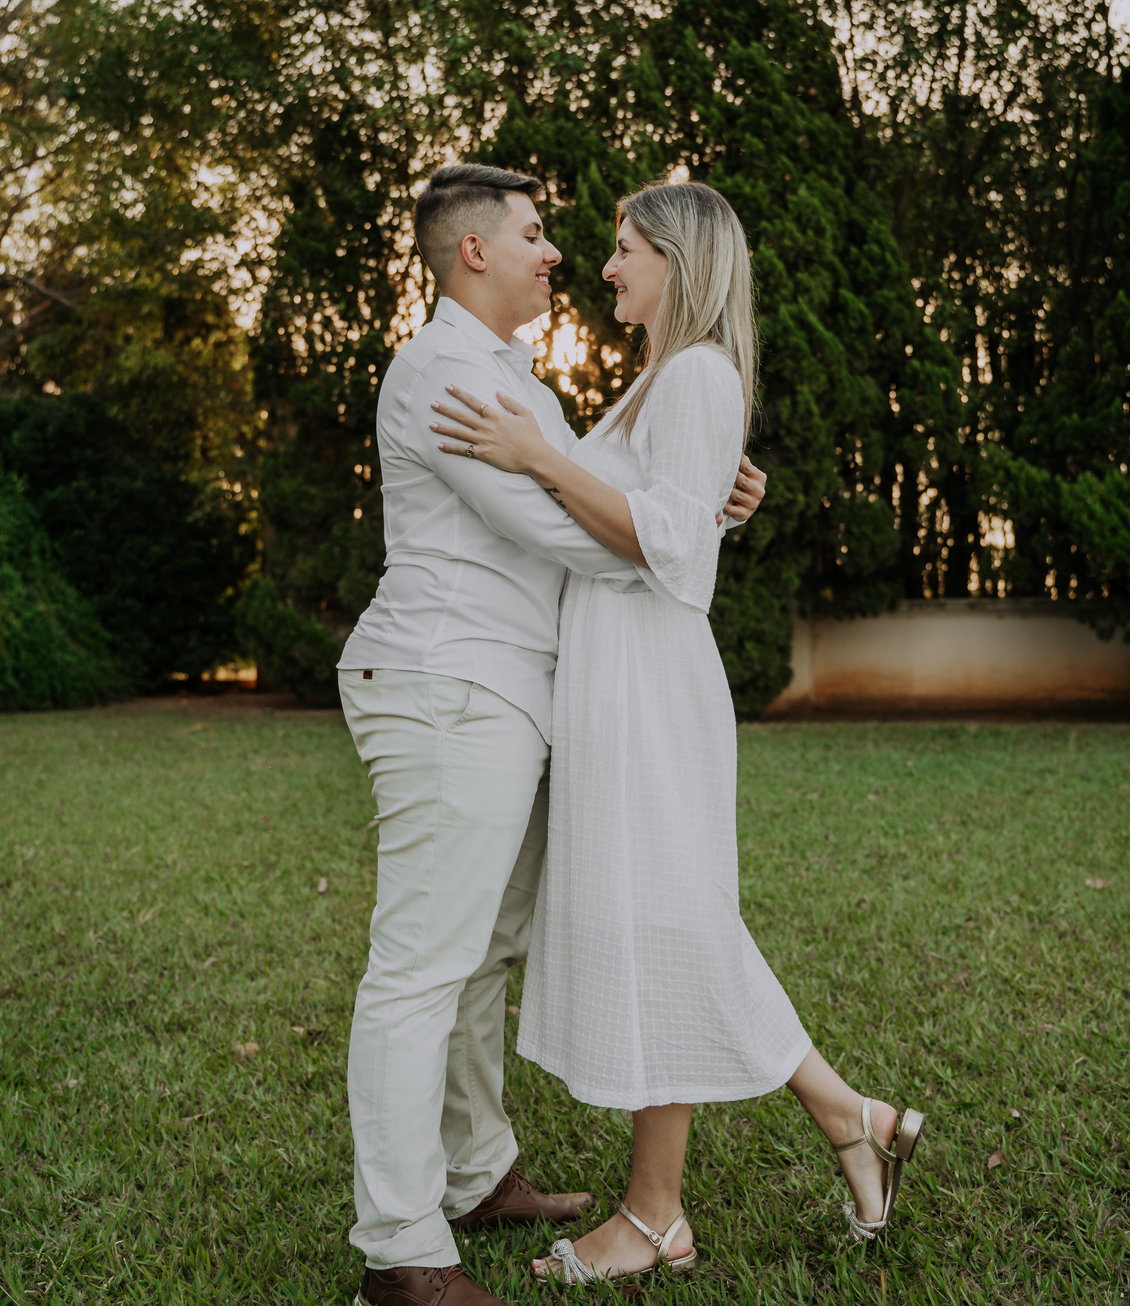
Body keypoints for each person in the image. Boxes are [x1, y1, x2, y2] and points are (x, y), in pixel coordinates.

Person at [429, 180, 924, 1285]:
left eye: (625, 249)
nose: (606, 267)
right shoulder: (664, 380)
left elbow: (670, 555)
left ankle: (664, 1214)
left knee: (668, 922)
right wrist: (698, 501)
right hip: (619, 678)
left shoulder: (696, 373)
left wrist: (540, 457)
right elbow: (669, 519)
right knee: (669, 922)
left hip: (647, 685)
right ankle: (840, 1124)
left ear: (679, 261)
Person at [336, 164, 766, 1306]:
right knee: (420, 968)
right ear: (474, 250)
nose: (559, 253)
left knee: (484, 953)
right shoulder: (443, 376)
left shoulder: (517, 379)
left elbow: (609, 501)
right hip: (449, 683)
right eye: (535, 233)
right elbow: (575, 534)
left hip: (511, 694)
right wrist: (676, 527)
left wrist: (697, 503)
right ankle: (401, 1252)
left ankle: (479, 1175)